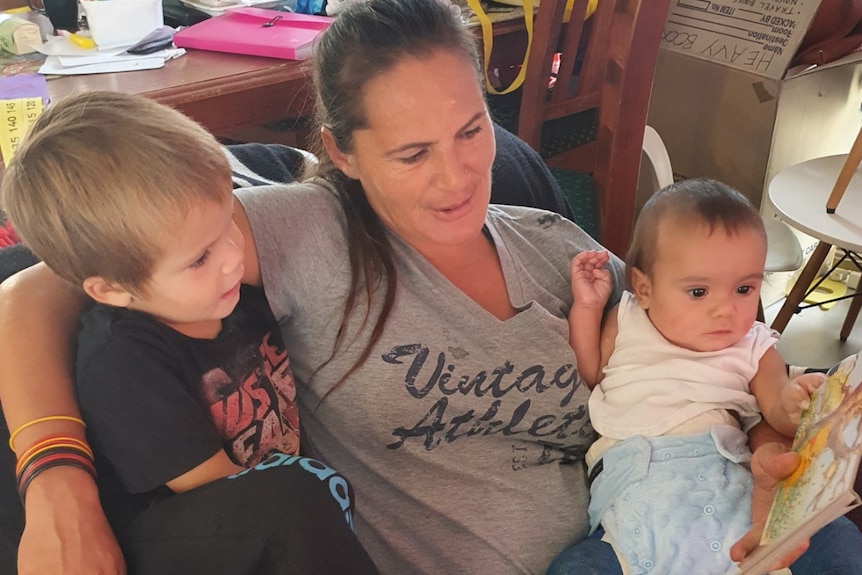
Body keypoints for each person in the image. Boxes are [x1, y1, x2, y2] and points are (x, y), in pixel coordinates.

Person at [0, 0, 855, 573]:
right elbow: (35, 290)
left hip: (652, 536)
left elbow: (696, 362)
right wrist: (56, 479)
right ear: (342, 153)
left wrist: (782, 443)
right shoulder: (309, 231)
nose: (459, 177)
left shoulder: (557, 245)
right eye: (411, 153)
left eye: (471, 129)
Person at [1, 91, 377, 574]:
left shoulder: (229, 293)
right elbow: (233, 498)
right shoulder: (123, 365)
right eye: (199, 258)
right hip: (174, 535)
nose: (232, 258)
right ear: (112, 289)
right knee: (292, 497)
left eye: (228, 224)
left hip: (270, 504)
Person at [550, 179, 860, 574]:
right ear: (643, 288)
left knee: (836, 539)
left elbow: (779, 412)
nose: (725, 310)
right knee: (576, 568)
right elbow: (590, 372)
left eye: (744, 288)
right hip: (636, 490)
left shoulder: (755, 345)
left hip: (733, 481)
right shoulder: (628, 317)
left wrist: (796, 399)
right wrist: (588, 308)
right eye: (699, 292)